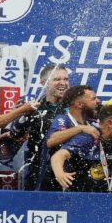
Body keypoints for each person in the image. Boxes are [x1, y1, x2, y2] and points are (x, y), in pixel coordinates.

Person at [10, 63, 69, 191]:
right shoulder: (33, 107)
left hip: (68, 171)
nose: (63, 83)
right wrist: (21, 115)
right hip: (38, 173)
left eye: (66, 79)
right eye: (57, 79)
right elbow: (15, 134)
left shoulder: (74, 107)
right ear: (43, 83)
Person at [49, 104, 112, 193]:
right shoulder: (88, 138)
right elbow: (58, 155)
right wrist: (60, 174)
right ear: (110, 123)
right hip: (83, 196)